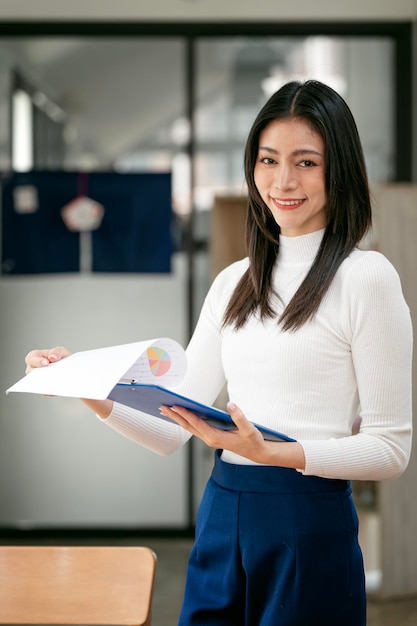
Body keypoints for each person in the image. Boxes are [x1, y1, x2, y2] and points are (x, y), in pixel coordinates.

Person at [25, 80, 413, 626]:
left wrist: (276, 453)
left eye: (306, 162)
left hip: (305, 518)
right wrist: (89, 388)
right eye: (268, 160)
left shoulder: (365, 278)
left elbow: (391, 449)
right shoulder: (235, 282)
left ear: (340, 170)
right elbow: (171, 429)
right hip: (222, 509)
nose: (283, 181)